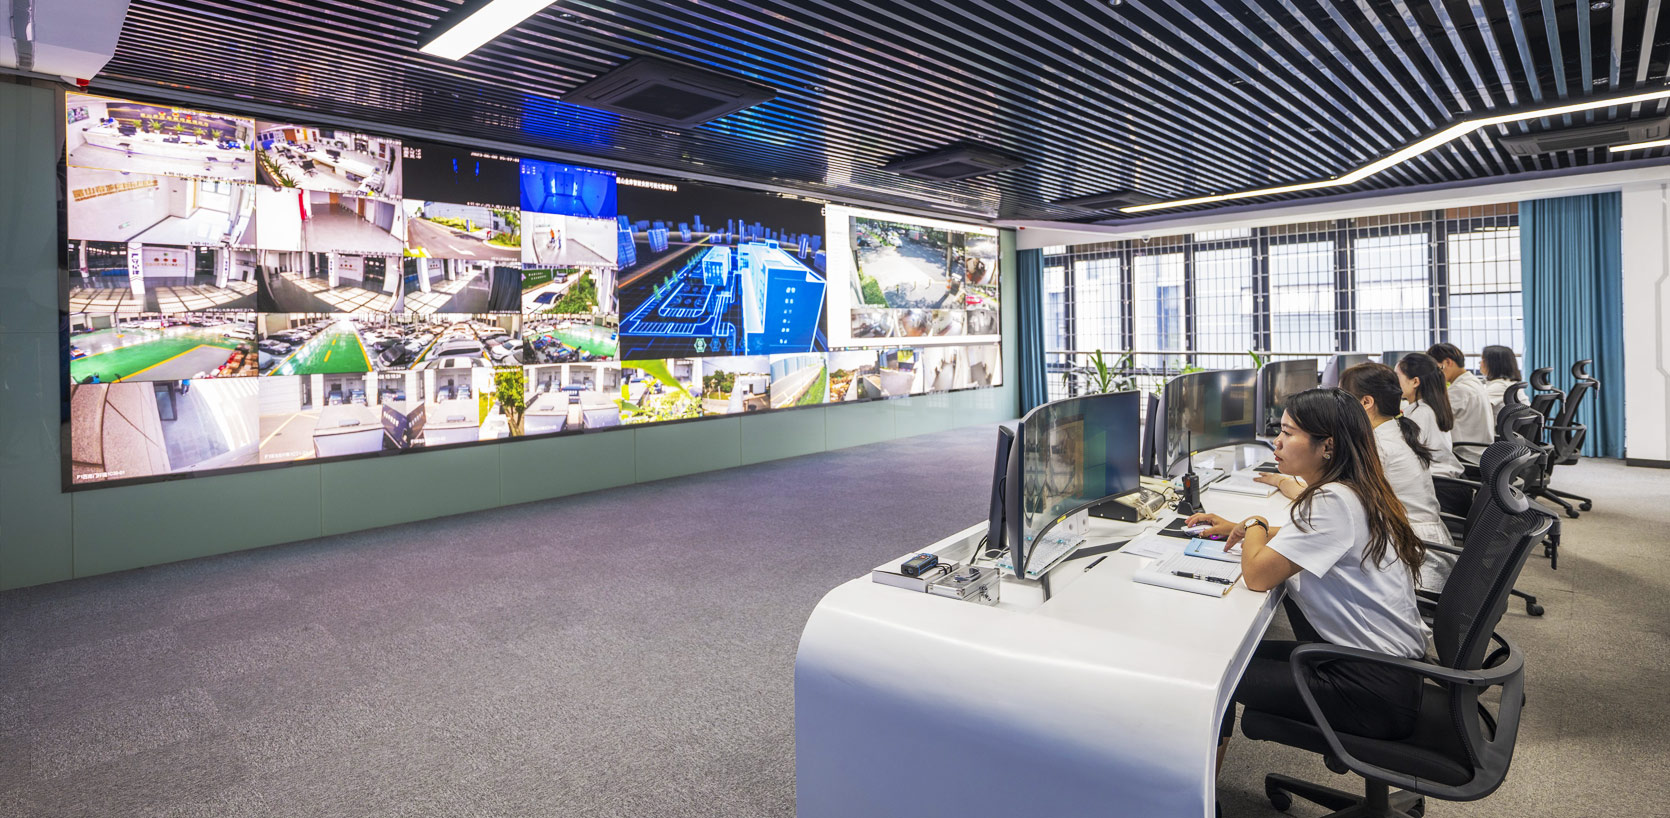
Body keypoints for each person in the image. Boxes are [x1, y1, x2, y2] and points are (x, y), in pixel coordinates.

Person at [1188, 388, 1428, 774]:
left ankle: (1199, 795)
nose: (1277, 442)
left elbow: (1258, 576)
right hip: (1382, 668)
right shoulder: (1353, 488)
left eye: (1288, 433)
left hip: (1369, 688)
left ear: (1327, 446)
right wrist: (1240, 526)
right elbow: (1313, 535)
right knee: (1229, 656)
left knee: (1213, 674)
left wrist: (1254, 523)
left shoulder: (1331, 501)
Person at [1339, 362, 1457, 590]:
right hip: (1420, 544)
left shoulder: (1379, 446)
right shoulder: (1397, 430)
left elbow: (1337, 499)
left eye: (1343, 398)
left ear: (1366, 402)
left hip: (1415, 560)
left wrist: (1281, 480)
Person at [1396, 353, 1463, 478]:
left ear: (1415, 381)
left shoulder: (1421, 413)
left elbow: (1406, 454)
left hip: (1436, 479)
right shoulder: (1430, 406)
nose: (1394, 382)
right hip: (1441, 474)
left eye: (1397, 376)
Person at [1427, 343, 1493, 444]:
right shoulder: (1472, 381)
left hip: (1464, 450)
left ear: (1448, 362)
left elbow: (1431, 419)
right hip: (1478, 446)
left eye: (1436, 368)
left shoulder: (1459, 390)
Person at [1480, 344, 1522, 414]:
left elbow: (1475, 406)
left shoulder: (1500, 387)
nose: (1480, 362)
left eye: (1482, 359)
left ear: (1493, 364)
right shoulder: (1509, 383)